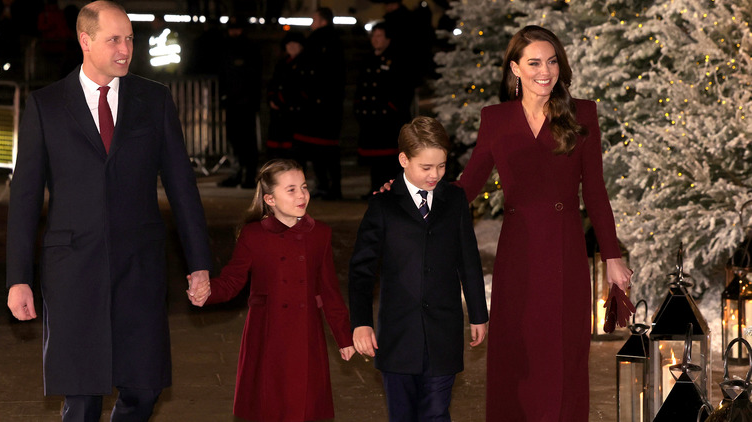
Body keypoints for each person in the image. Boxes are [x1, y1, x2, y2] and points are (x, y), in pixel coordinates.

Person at [6, 0, 212, 421]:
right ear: (85, 40)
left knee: (145, 386)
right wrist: (18, 279)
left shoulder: (154, 99)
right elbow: (25, 199)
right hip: (72, 270)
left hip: (140, 266)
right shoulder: (45, 105)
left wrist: (200, 263)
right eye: (113, 39)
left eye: (130, 39)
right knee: (81, 396)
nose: (125, 49)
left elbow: (182, 188)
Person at [455, 25, 633, 421]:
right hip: (517, 253)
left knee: (563, 356)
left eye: (552, 61)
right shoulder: (495, 118)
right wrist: (413, 194)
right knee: (515, 355)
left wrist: (612, 256)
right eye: (534, 62)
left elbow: (596, 191)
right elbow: (467, 185)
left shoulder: (582, 112)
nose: (545, 71)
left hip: (565, 250)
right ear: (515, 68)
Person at [348, 116, 488, 422]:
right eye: (426, 167)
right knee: (403, 415)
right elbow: (361, 271)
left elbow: (468, 259)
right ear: (403, 159)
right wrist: (360, 322)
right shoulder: (382, 206)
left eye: (441, 166)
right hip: (398, 336)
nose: (435, 174)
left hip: (444, 331)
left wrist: (478, 313)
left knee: (436, 412)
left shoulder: (455, 199)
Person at [197, 158, 355, 421]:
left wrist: (343, 336)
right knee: (270, 405)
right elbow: (232, 281)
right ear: (270, 199)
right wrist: (206, 291)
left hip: (307, 332)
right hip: (267, 333)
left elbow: (329, 290)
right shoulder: (253, 236)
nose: (302, 195)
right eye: (291, 189)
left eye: (304, 187)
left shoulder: (320, 234)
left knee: (305, 406)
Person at [354, 22, 415, 198]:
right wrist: (359, 107)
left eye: (379, 36)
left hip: (388, 119)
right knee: (374, 158)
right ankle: (375, 188)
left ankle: (390, 190)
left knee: (388, 159)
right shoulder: (368, 59)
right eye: (374, 36)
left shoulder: (397, 59)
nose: (376, 40)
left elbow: (403, 89)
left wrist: (391, 108)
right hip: (370, 117)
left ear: (388, 39)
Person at [294, 7, 345, 200]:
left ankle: (328, 185)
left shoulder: (322, 41)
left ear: (323, 21)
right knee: (321, 150)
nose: (311, 23)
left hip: (320, 105)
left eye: (314, 19)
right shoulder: (328, 41)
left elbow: (322, 74)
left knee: (324, 150)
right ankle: (327, 185)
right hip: (322, 105)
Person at [216, 18, 262, 189]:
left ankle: (248, 175)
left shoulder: (248, 48)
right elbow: (224, 75)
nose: (233, 32)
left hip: (245, 103)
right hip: (233, 102)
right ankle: (238, 174)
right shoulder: (227, 48)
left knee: (247, 141)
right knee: (235, 139)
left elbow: (252, 77)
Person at [265, 31, 309, 159]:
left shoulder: (303, 64)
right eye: (289, 44)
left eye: (295, 44)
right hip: (278, 116)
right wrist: (271, 99)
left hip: (293, 115)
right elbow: (273, 84)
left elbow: (298, 89)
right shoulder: (282, 64)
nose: (291, 46)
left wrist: (280, 100)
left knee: (293, 155)